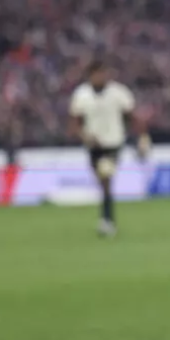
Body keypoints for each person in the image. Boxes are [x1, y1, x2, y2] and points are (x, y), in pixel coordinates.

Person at [69, 61, 149, 238]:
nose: (101, 77)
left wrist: (142, 137)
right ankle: (107, 218)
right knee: (102, 182)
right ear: (90, 75)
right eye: (97, 74)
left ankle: (107, 220)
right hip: (93, 146)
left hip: (113, 144)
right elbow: (75, 124)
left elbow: (132, 117)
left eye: (103, 73)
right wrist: (85, 137)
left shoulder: (118, 93)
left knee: (106, 177)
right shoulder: (82, 95)